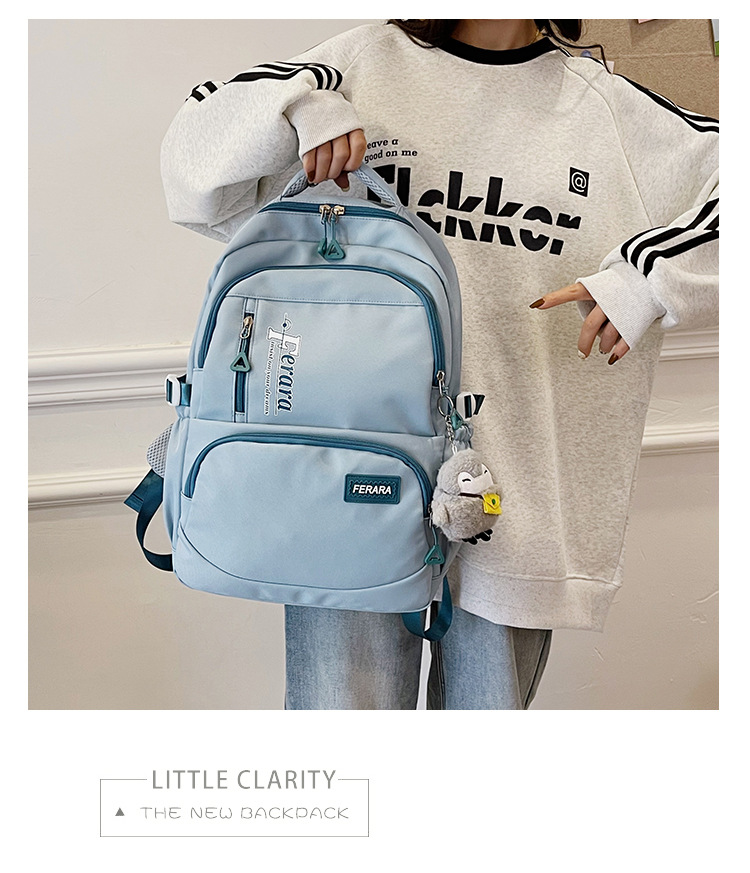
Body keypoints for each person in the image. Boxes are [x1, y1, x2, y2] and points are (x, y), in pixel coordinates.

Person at [160, 19, 719, 710]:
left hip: (517, 496)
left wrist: (649, 276)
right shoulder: (359, 65)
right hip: (341, 480)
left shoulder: (609, 112)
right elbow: (190, 167)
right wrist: (297, 107)